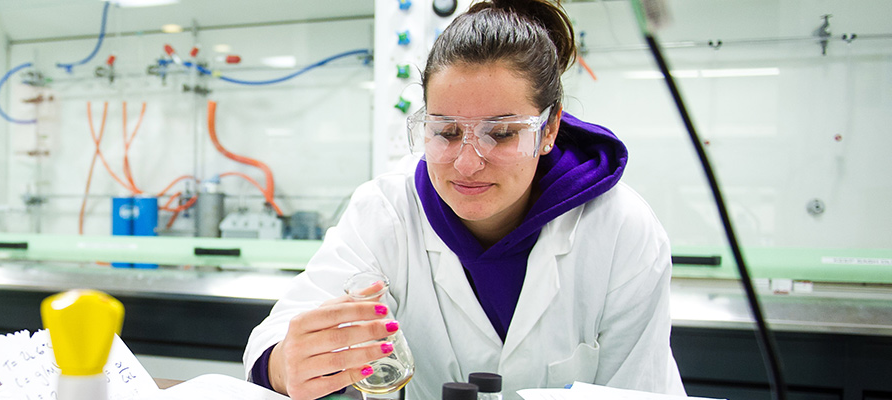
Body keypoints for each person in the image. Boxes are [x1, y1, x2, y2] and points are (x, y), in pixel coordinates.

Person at [243, 1, 685, 399]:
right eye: (447, 132)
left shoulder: (620, 229)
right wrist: (287, 364)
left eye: (502, 133)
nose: (468, 164)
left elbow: (640, 390)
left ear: (548, 130)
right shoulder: (387, 210)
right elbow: (279, 338)